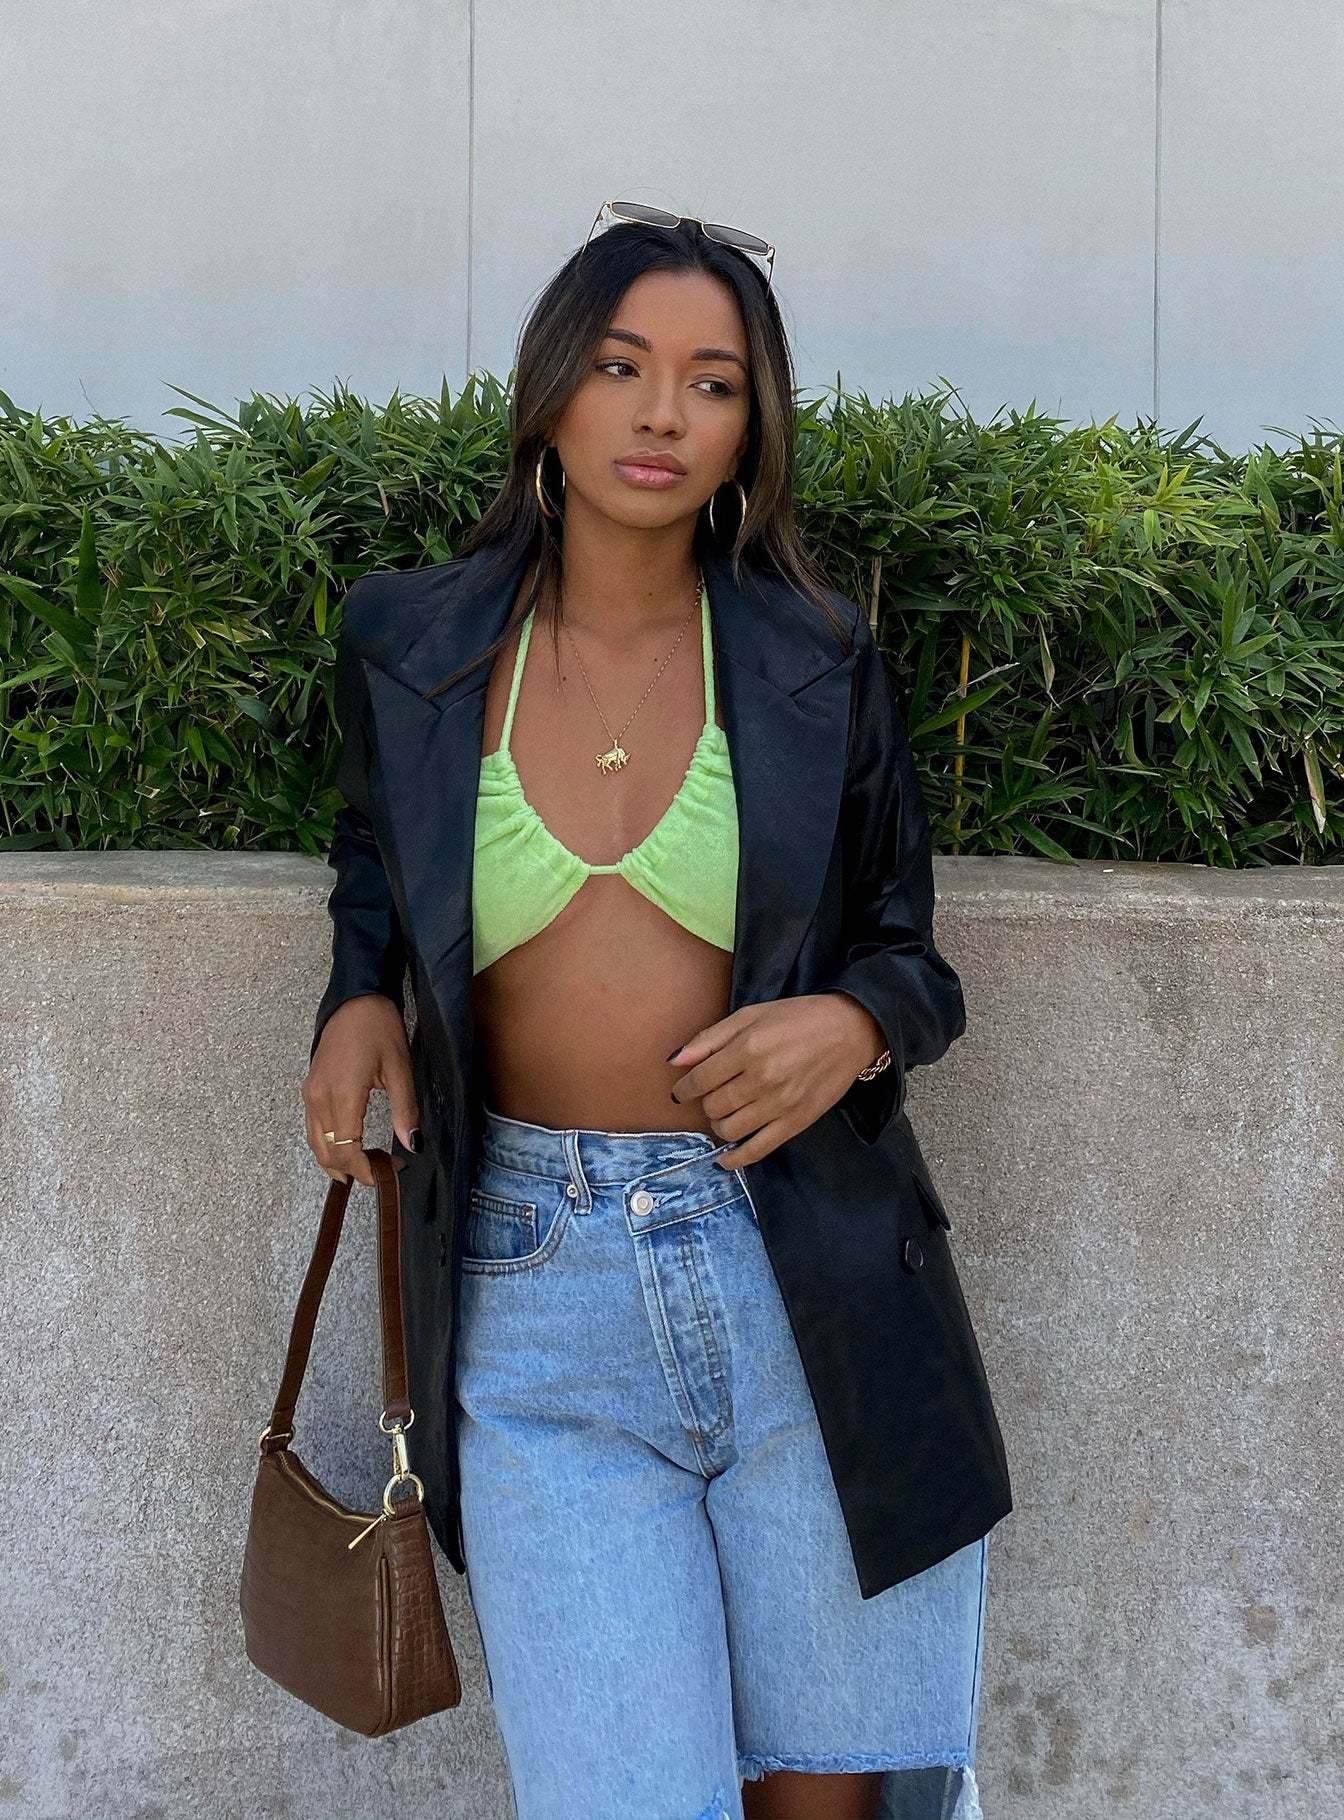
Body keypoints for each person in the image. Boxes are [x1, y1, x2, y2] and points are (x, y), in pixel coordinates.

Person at [302, 203, 1011, 1820]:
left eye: (712, 382)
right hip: (532, 1288)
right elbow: (373, 856)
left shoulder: (818, 655)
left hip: (802, 1279)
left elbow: (911, 956)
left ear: (751, 426)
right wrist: (358, 996)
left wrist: (853, 1025)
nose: (661, 413)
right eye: (622, 367)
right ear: (553, 388)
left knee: (828, 1797)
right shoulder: (413, 641)